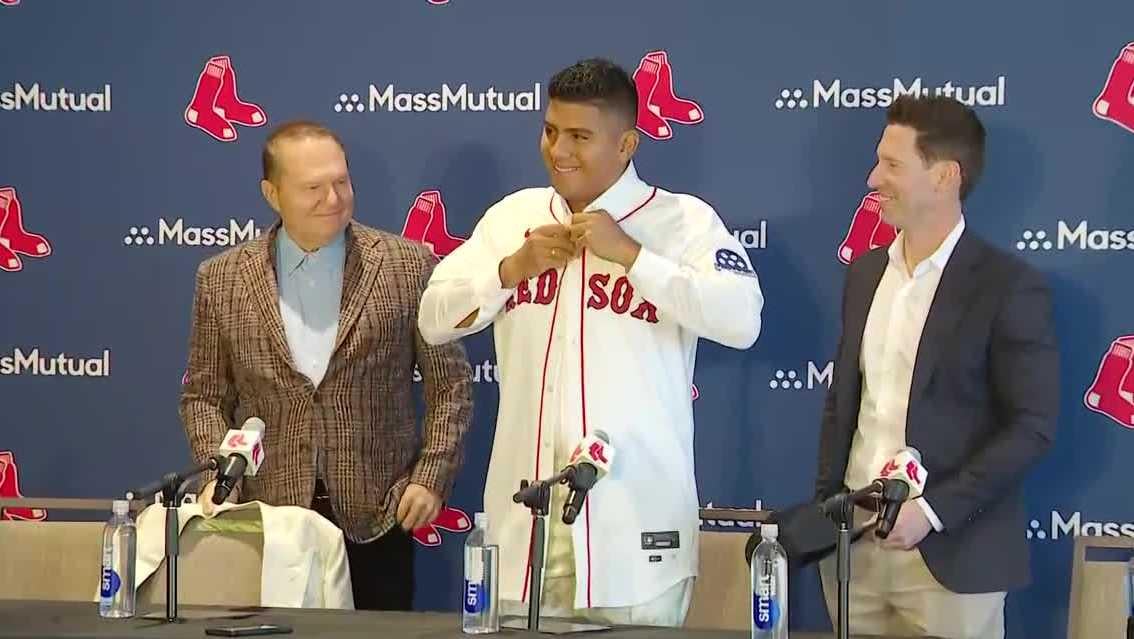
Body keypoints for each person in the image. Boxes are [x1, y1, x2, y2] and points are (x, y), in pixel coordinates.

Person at [417, 57, 764, 626]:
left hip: (634, 534)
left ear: (626, 143)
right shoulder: (514, 218)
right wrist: (510, 269)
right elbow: (433, 319)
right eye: (551, 131)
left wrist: (633, 256)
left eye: (580, 136)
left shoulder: (682, 222)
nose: (559, 151)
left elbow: (742, 319)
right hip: (525, 528)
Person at [179, 120, 474, 611]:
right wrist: (221, 470)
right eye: (313, 187)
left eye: (341, 182)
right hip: (269, 520)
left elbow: (452, 386)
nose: (333, 198)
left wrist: (430, 476)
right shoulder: (221, 278)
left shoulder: (406, 265)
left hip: (379, 517)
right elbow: (204, 395)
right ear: (272, 193)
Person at [814, 94, 1059, 639]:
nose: (873, 178)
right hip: (853, 554)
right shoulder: (864, 273)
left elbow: (1032, 427)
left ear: (946, 175)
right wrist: (828, 508)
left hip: (953, 561)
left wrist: (932, 511)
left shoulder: (1008, 286)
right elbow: (845, 402)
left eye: (893, 165)